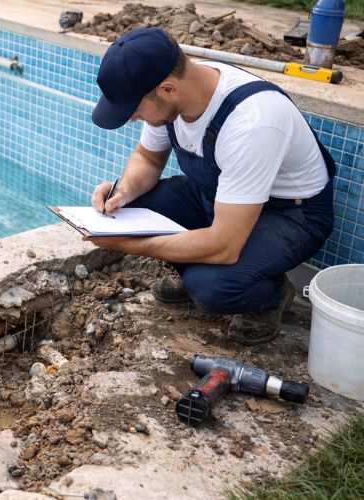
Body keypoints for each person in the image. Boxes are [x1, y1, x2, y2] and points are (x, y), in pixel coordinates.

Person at [88, 28, 335, 345]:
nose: (133, 118)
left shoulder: (252, 122)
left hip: (292, 214)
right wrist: (123, 192)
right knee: (130, 209)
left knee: (211, 287)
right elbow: (148, 158)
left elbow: (224, 245)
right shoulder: (178, 91)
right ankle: (199, 267)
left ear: (167, 89)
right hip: (220, 195)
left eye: (134, 109)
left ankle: (273, 294)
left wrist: (133, 245)